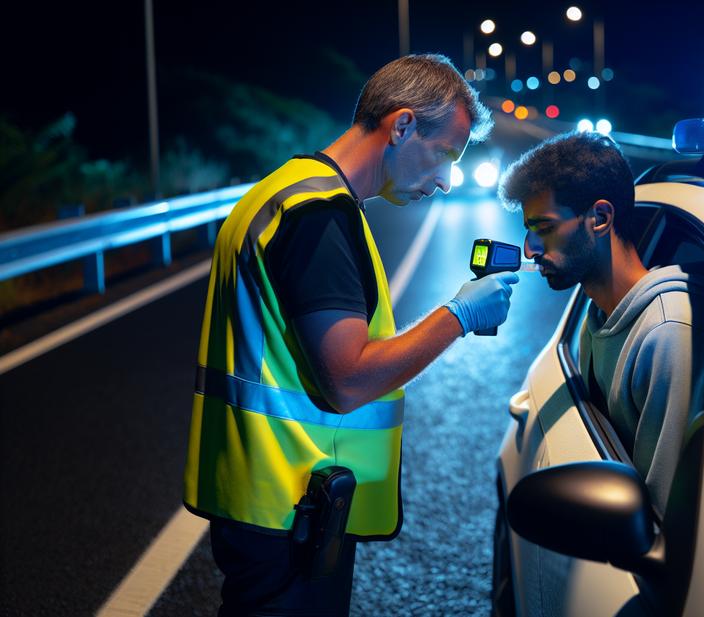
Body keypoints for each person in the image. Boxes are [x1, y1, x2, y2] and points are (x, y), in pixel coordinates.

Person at [183, 54, 519, 616]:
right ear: (403, 125)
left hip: (260, 497)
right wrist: (458, 315)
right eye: (444, 156)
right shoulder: (319, 215)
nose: (444, 180)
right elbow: (346, 379)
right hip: (289, 507)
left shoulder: (285, 189)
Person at [499, 132, 704, 513]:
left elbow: (662, 518)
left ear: (599, 218)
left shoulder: (666, 335)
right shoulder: (597, 312)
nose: (530, 248)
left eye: (544, 228)